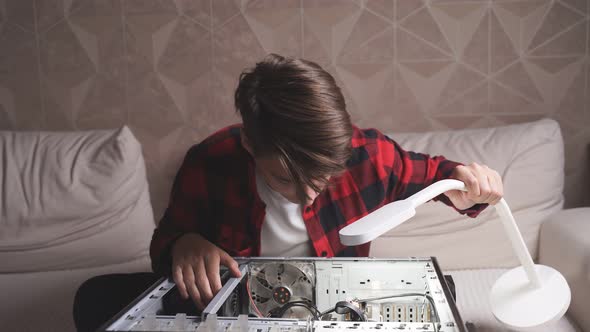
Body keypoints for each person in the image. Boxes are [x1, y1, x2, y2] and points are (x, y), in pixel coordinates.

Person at [73, 54, 503, 331]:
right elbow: (165, 244)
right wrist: (184, 244)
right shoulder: (211, 161)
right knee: (93, 299)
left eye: (322, 176)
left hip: (334, 309)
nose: (309, 196)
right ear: (248, 146)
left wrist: (469, 185)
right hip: (239, 311)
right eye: (285, 180)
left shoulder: (369, 154)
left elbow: (441, 176)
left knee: (440, 296)